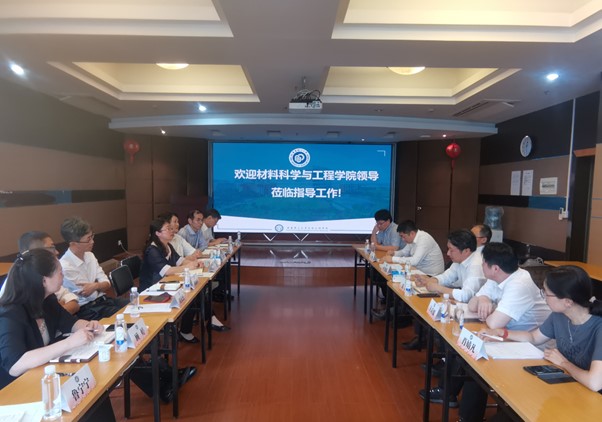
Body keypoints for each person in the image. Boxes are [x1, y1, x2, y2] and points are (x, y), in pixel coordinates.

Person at [449, 242, 551, 421]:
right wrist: (483, 298)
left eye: (483, 263)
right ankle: (459, 407)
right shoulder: (498, 276)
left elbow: (494, 322)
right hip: (509, 337)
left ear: (494, 268)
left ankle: (466, 414)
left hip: (534, 347)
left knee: (478, 359)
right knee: (469, 354)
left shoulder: (519, 283)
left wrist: (489, 306)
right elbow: (472, 305)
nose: (481, 265)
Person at [479, 266, 602, 393]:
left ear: (568, 302)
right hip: (570, 385)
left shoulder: (598, 326)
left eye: (546, 293)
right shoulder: (559, 315)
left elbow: (594, 383)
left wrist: (564, 363)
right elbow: (534, 338)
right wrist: (501, 333)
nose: (543, 297)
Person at [0, 249, 103, 387]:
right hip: (16, 386)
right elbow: (15, 365)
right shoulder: (10, 313)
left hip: (44, 373)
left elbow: (70, 323)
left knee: (93, 380)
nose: (63, 275)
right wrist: (69, 343)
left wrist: (89, 326)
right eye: (60, 272)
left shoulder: (47, 300)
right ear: (44, 280)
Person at [59, 217, 129, 320]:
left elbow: (107, 283)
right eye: (88, 239)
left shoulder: (90, 255)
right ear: (73, 243)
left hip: (103, 300)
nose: (92, 242)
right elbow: (89, 295)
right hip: (87, 310)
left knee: (136, 305)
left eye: (92, 236)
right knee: (127, 317)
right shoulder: (65, 266)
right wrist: (99, 286)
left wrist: (96, 286)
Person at [17, 231, 80, 315]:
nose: (57, 252)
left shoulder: (49, 274)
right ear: (36, 252)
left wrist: (57, 310)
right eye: (52, 248)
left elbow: (74, 304)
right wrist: (58, 308)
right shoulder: (19, 287)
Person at [415, 229, 486, 302]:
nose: (448, 253)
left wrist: (439, 288)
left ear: (466, 251)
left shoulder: (476, 266)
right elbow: (447, 277)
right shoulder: (459, 260)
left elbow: (466, 295)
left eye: (451, 250)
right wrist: (429, 281)